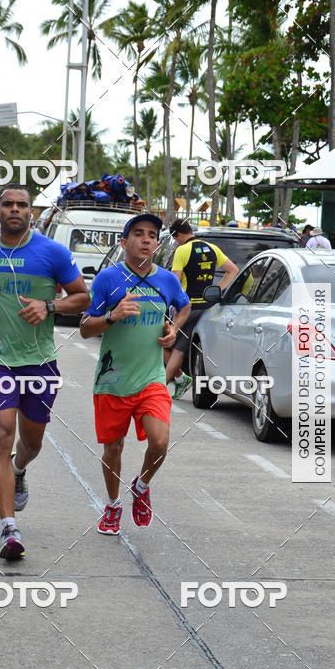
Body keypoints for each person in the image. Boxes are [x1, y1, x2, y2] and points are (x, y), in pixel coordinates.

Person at [0, 184, 90, 561]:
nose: (15, 209)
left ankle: (19, 469)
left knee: (32, 442)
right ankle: (9, 528)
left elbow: (83, 297)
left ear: (31, 211)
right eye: (8, 204)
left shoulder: (52, 252)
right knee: (1, 436)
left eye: (22, 204)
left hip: (39, 361)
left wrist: (49, 306)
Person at [80, 214, 191, 536]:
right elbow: (85, 328)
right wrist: (112, 316)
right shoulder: (108, 279)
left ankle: (141, 486)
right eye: (138, 233)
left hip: (151, 378)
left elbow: (184, 306)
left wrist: (174, 329)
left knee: (160, 441)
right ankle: (113, 504)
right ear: (124, 241)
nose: (146, 239)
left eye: (152, 235)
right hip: (112, 381)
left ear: (157, 243)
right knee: (113, 448)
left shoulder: (167, 280)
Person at [165, 219, 238, 398]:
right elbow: (233, 270)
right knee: (177, 347)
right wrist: (217, 290)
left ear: (178, 235)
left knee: (168, 345)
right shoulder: (212, 248)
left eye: (175, 239)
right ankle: (178, 380)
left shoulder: (182, 250)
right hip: (206, 307)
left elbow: (175, 281)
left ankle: (160, 389)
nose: (176, 242)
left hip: (185, 307)